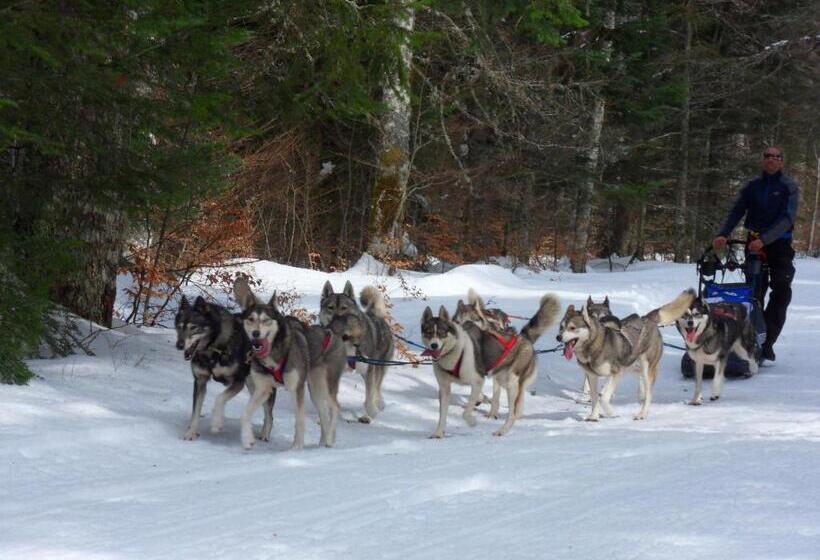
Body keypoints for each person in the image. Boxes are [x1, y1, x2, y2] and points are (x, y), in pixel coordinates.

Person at [712, 146, 800, 363]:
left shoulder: (789, 186)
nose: (771, 160)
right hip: (753, 244)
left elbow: (787, 219)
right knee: (753, 294)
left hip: (779, 245)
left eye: (776, 157)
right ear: (763, 160)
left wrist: (765, 240)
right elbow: (736, 211)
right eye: (767, 156)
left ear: (781, 161)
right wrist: (723, 233)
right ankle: (750, 341)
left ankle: (766, 343)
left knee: (781, 291)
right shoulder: (752, 186)